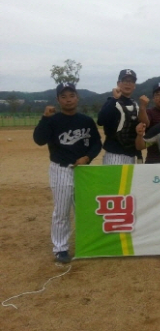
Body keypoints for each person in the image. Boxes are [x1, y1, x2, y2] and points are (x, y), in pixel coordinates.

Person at [33, 83, 102, 263]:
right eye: (63, 96)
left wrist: (87, 157)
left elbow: (96, 143)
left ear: (77, 97)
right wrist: (44, 118)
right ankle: (61, 248)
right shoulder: (53, 120)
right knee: (62, 211)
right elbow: (39, 140)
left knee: (85, 209)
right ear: (58, 100)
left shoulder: (86, 121)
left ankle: (87, 244)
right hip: (61, 169)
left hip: (84, 171)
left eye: (71, 95)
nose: (68, 99)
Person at [97, 69, 149, 165]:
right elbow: (100, 120)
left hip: (131, 155)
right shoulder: (111, 102)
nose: (128, 84)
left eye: (131, 81)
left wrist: (143, 108)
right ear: (118, 83)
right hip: (114, 154)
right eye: (125, 81)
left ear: (134, 86)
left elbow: (143, 125)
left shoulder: (135, 104)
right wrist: (115, 98)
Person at [144, 82, 160, 163]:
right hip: (154, 159)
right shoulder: (149, 112)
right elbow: (145, 122)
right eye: (157, 95)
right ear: (153, 98)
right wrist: (142, 108)